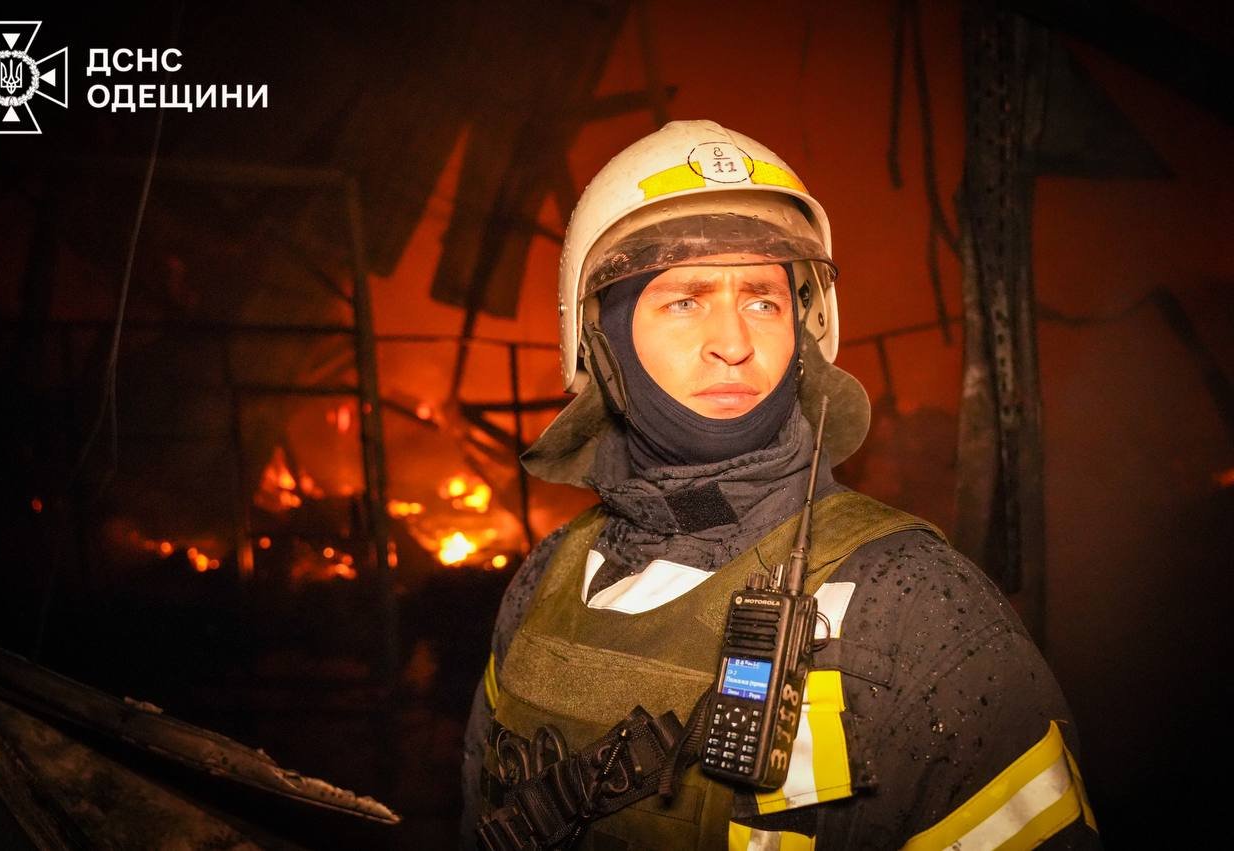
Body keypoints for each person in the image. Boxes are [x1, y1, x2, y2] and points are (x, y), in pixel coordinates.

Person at [461, 120, 1100, 850]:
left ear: (805, 330)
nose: (735, 343)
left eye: (763, 300)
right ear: (597, 339)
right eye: (685, 300)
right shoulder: (546, 580)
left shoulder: (916, 608)